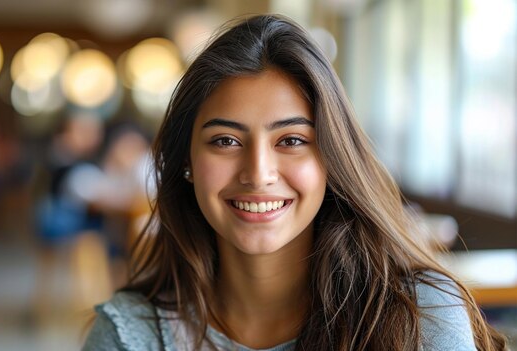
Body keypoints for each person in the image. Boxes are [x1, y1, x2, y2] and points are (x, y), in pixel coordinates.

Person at [83, 14, 506, 351]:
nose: (258, 173)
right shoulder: (130, 335)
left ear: (332, 160)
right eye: (226, 140)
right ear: (186, 163)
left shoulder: (419, 315)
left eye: (291, 140)